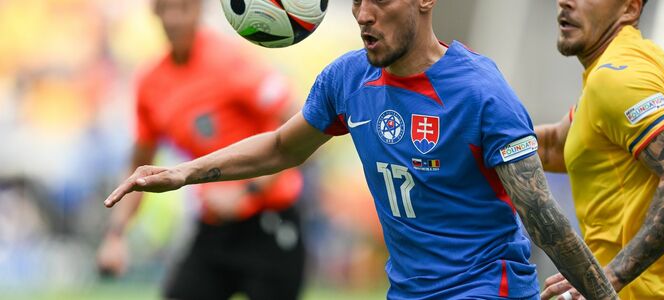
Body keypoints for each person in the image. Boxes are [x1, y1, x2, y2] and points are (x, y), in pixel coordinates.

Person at [104, 0, 619, 299]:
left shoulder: (482, 92)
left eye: (379, 0)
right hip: (408, 291)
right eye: (356, 2)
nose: (363, 15)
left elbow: (543, 219)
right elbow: (283, 147)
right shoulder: (349, 78)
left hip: (485, 288)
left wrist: (603, 294)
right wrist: (183, 174)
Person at [95, 0, 306, 299]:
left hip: (269, 222)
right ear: (154, 12)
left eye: (182, 8)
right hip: (213, 227)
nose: (173, 18)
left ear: (199, 9)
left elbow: (301, 125)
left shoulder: (231, 61)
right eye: (165, 8)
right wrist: (115, 236)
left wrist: (248, 192)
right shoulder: (151, 83)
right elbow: (138, 166)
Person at [536, 0, 664, 299]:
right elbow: (557, 147)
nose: (565, 2)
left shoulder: (616, 77)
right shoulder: (641, 57)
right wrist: (477, 139)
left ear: (630, 9)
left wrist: (607, 277)